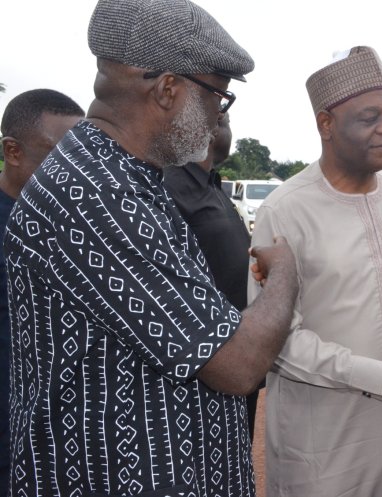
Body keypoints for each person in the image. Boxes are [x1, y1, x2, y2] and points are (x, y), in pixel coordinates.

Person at [4, 1, 298, 496]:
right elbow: (238, 363)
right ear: (168, 89)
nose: (217, 117)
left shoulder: (124, 177)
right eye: (218, 98)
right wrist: (287, 271)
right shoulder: (97, 192)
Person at [247, 46, 382, 497]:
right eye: (369, 118)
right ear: (326, 124)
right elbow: (277, 341)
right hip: (322, 440)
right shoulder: (284, 211)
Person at [0, 88, 84, 497]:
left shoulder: (83, 229)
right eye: (57, 155)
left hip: (63, 442)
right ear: (12, 151)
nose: (73, 170)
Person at [163, 113, 262, 443]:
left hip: (237, 357)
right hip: (204, 367)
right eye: (221, 118)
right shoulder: (170, 186)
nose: (226, 126)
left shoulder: (213, 186)